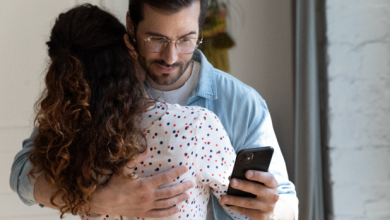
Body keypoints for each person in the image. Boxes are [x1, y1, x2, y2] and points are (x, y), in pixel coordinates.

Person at [10, 0, 298, 219]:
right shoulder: (93, 93)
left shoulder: (242, 103)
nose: (171, 57)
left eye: (186, 39)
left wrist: (272, 210)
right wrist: (99, 199)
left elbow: (287, 204)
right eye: (156, 39)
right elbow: (22, 174)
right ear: (131, 28)